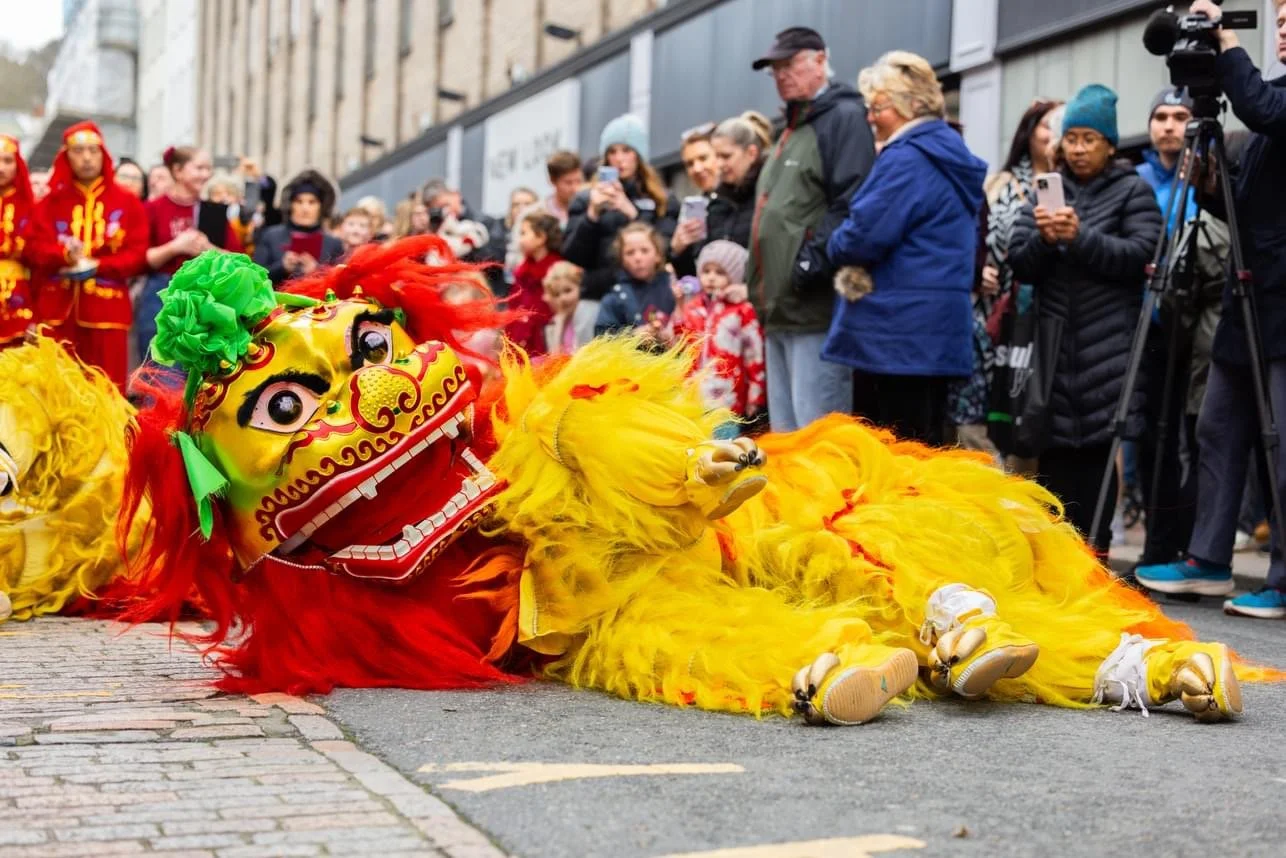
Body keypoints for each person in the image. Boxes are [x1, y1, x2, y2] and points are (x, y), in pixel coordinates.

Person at [1137, 0, 1286, 618]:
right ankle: (1207, 559)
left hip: (1283, 299)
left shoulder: (1269, 101)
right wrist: (1206, 180)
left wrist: (1225, 42)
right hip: (1248, 291)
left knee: (1283, 443)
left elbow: (1263, 109)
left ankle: (1283, 577)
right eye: (1279, 17)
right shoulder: (1271, 94)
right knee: (1217, 428)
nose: (1283, 25)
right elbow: (1243, 207)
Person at [1008, 84, 1163, 554]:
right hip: (1053, 349)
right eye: (1070, 138)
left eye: (1088, 138)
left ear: (1110, 144)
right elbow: (1020, 260)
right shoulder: (1044, 190)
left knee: (1097, 457)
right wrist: (1044, 237)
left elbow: (1142, 254)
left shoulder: (1131, 189)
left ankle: (1096, 554)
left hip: (1109, 348)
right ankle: (1059, 558)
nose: (1077, 148)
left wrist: (1080, 237)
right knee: (1052, 457)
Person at [823, 51, 986, 446]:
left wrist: (833, 241)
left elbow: (861, 237)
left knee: (893, 454)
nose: (870, 117)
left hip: (895, 334)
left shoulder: (907, 157)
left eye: (877, 106)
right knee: (927, 447)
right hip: (933, 328)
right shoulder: (946, 153)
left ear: (908, 108)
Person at [747, 27, 875, 431]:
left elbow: (853, 201)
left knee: (818, 436)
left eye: (790, 64)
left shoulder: (843, 117)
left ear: (820, 60)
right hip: (780, 308)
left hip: (813, 304)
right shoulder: (794, 126)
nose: (781, 75)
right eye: (775, 69)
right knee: (787, 440)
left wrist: (808, 264)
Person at [1130, 87, 1229, 572]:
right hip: (1153, 327)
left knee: (1201, 436)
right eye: (1161, 116)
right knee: (1152, 442)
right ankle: (1158, 544)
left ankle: (1195, 544)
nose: (1169, 125)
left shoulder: (1216, 179)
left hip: (1205, 328)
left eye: (1180, 116)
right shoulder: (1137, 180)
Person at [25, 121, 148, 390]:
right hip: (58, 309)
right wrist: (63, 255)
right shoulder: (50, 203)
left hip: (107, 310)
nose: (87, 158)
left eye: (93, 150)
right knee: (54, 388)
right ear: (66, 156)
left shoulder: (128, 204)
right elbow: (33, 248)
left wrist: (99, 264)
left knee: (105, 388)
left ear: (103, 154)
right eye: (78, 151)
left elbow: (137, 255)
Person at [981, 99, 1063, 471]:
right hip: (1000, 306)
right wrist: (979, 269)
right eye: (1045, 125)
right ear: (1029, 132)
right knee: (1001, 399)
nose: (1052, 134)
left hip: (1047, 304)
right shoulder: (1001, 183)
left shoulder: (1067, 185)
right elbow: (980, 236)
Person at [138, 146, 244, 359]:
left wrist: (208, 249)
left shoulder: (213, 212)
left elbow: (238, 260)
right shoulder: (153, 208)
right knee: (159, 367)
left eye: (208, 169)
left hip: (203, 297)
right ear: (177, 170)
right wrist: (176, 246)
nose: (206, 174)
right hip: (160, 295)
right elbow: (141, 258)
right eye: (199, 168)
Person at [562, 114, 679, 301]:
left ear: (639, 155)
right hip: (597, 297)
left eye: (626, 150)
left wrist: (633, 213)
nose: (619, 159)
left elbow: (667, 249)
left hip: (648, 296)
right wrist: (592, 214)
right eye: (612, 152)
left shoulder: (661, 199)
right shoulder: (585, 198)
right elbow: (572, 255)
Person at [673, 239, 766, 436]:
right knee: (696, 445)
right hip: (693, 398)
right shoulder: (692, 308)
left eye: (720, 273)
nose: (711, 278)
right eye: (706, 271)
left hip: (727, 401)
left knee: (724, 449)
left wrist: (755, 395)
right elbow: (679, 341)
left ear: (733, 276)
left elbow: (754, 354)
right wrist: (680, 306)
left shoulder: (742, 310)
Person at [671, 112, 772, 277]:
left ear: (751, 153)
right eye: (689, 164)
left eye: (725, 156)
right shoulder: (715, 206)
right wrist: (679, 251)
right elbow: (701, 277)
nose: (719, 164)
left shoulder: (768, 194)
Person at [252, 169, 344, 284]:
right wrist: (282, 267)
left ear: (321, 206)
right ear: (290, 204)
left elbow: (340, 283)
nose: (305, 208)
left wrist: (316, 271)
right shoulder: (271, 236)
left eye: (312, 202)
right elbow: (254, 277)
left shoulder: (334, 244)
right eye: (299, 201)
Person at [594, 221, 675, 342]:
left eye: (644, 250)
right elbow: (601, 339)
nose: (638, 258)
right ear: (622, 260)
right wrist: (632, 336)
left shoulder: (673, 286)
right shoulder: (615, 298)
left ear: (658, 255)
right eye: (630, 253)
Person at [506, 210, 563, 356]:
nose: (520, 240)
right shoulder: (523, 272)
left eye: (524, 233)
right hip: (519, 341)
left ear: (541, 238)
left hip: (542, 345)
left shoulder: (556, 272)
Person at [0, 135, 36, 348]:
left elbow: (40, 267)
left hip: (18, 298)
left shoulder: (31, 208)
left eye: (7, 160)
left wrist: (37, 315)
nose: (1, 168)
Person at [542, 261, 597, 355]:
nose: (562, 298)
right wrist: (560, 324)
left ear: (581, 287)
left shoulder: (590, 313)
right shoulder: (555, 322)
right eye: (556, 294)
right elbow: (554, 359)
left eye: (568, 290)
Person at [540, 151, 584, 227]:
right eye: (568, 183)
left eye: (579, 181)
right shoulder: (537, 214)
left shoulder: (591, 212)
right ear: (552, 181)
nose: (575, 188)